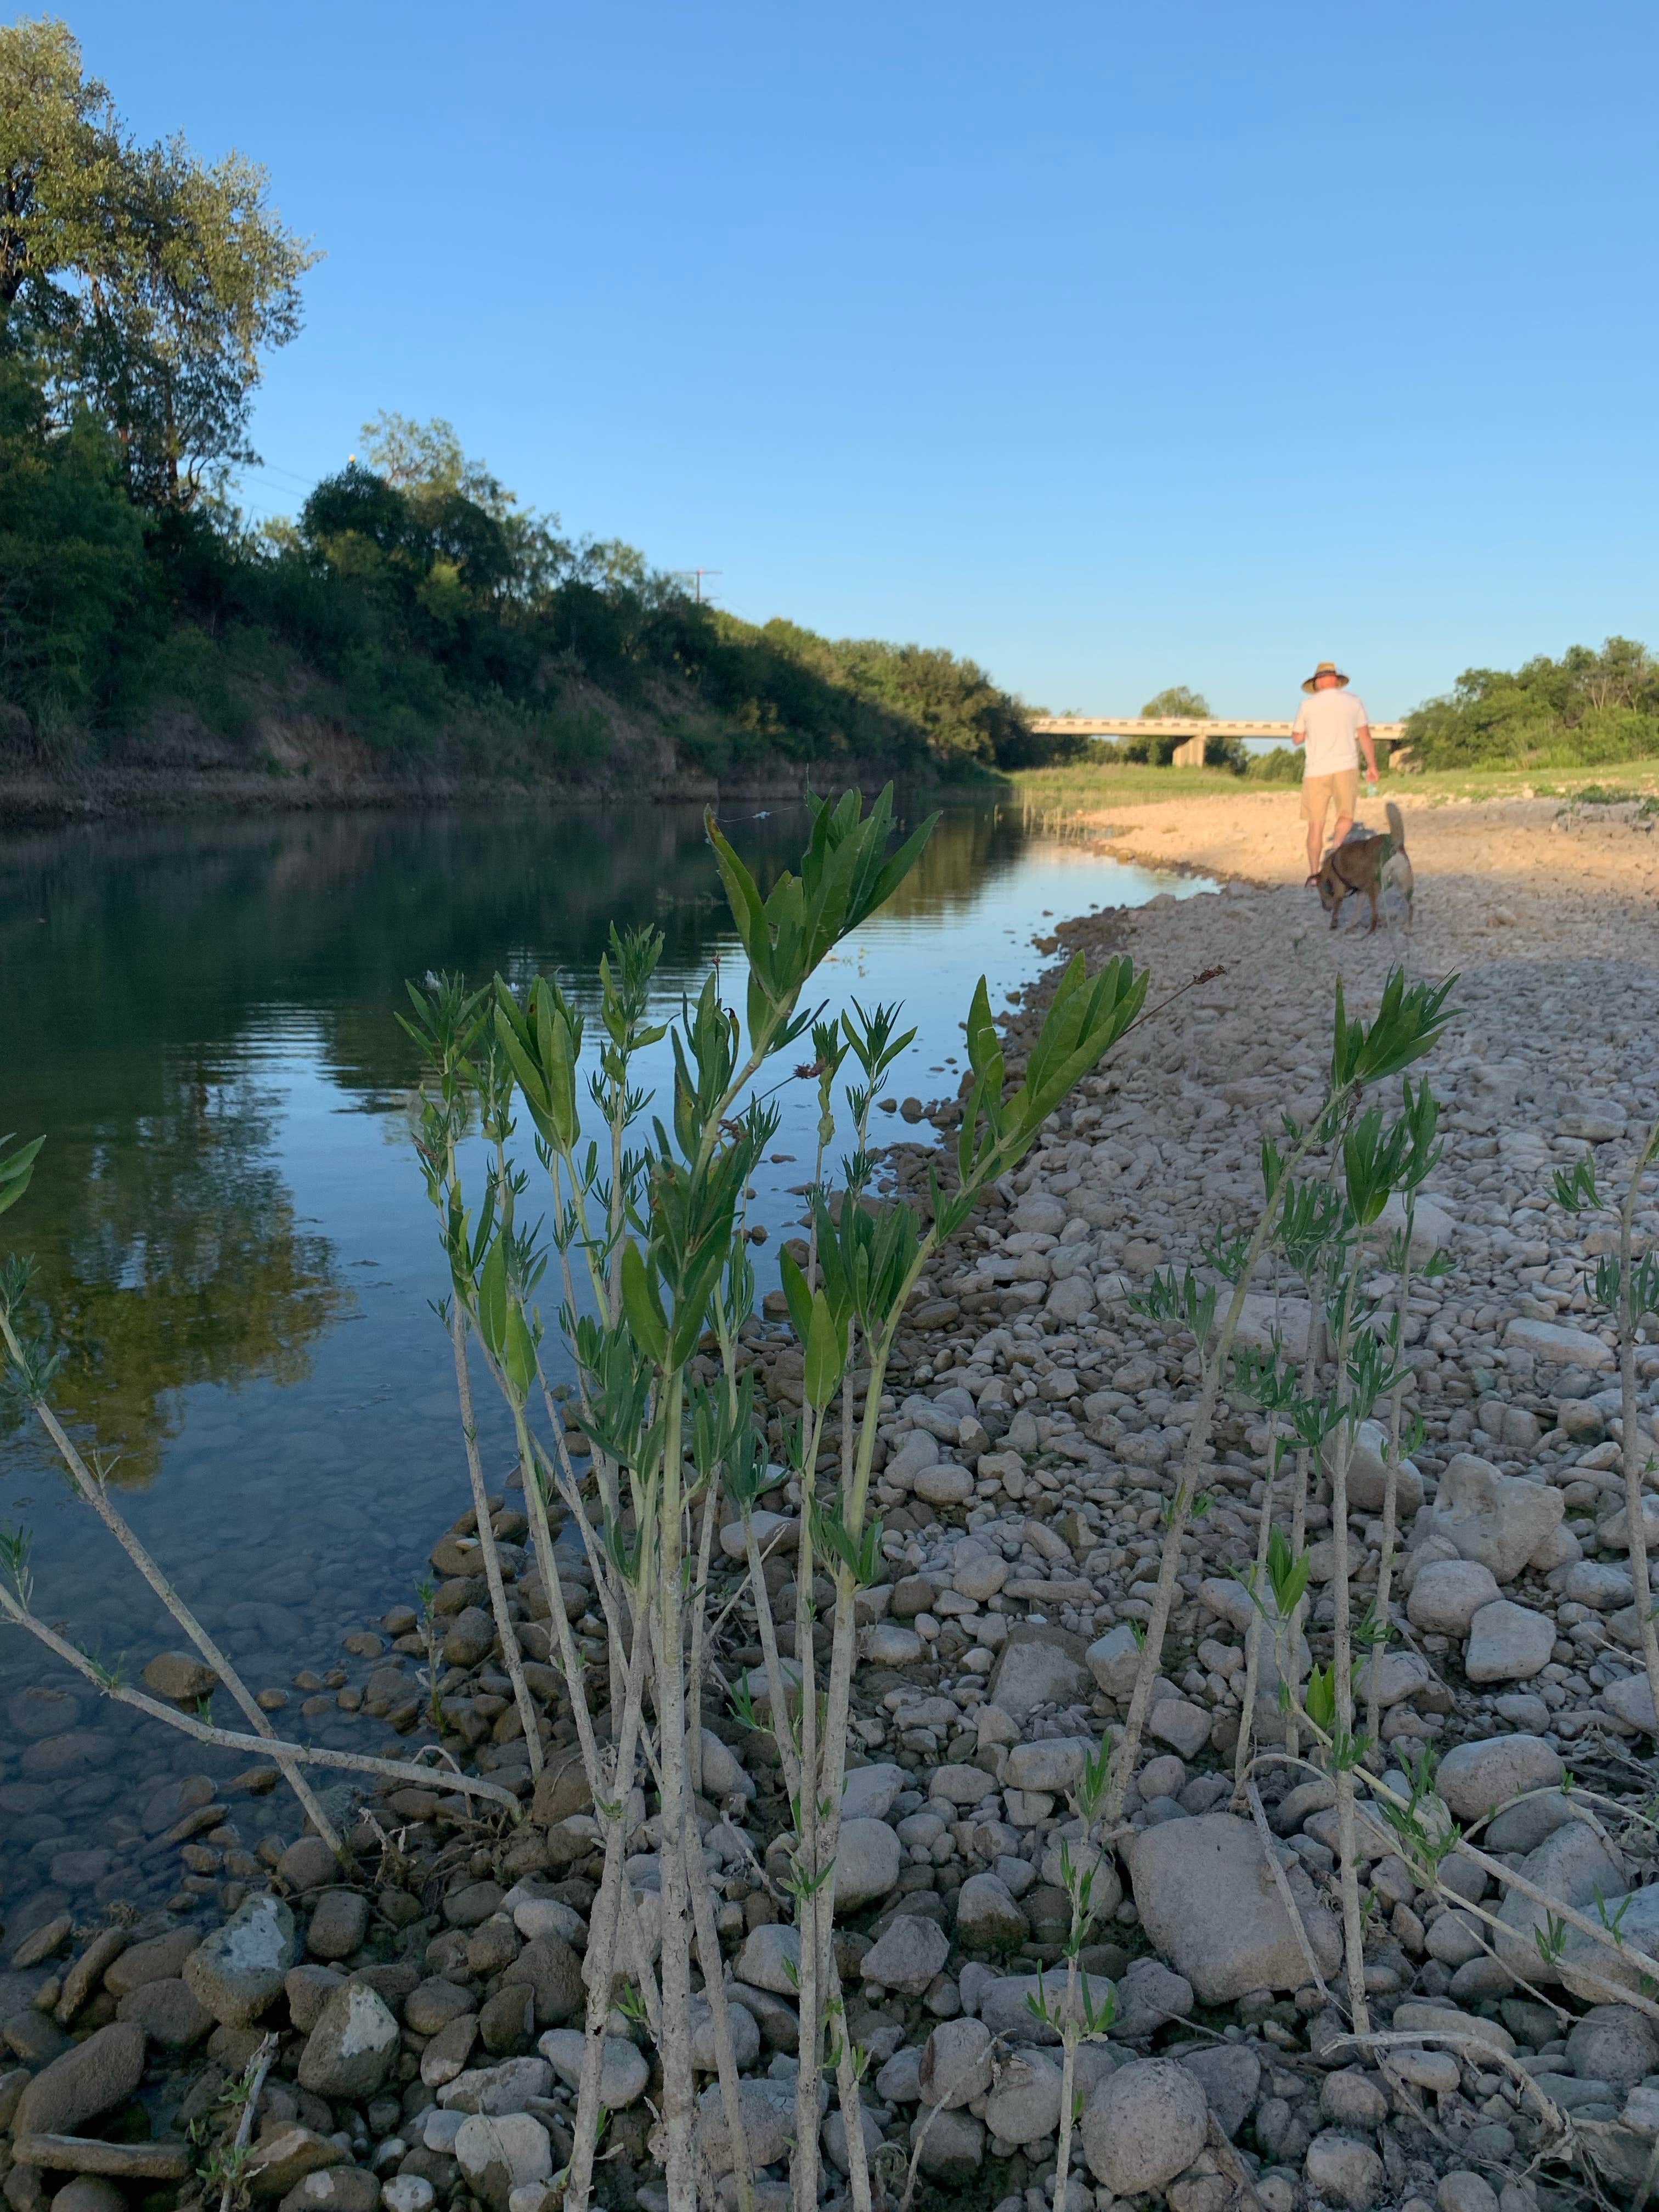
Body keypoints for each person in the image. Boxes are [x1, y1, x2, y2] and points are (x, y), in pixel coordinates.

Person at [1292, 661, 1379, 880]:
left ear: (1318, 682)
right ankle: (1336, 847)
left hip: (1316, 771)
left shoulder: (1307, 706)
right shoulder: (1353, 701)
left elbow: (1297, 738)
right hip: (1346, 767)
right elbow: (1365, 737)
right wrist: (1372, 766)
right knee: (1346, 816)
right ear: (1336, 680)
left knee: (1316, 825)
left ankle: (1314, 875)